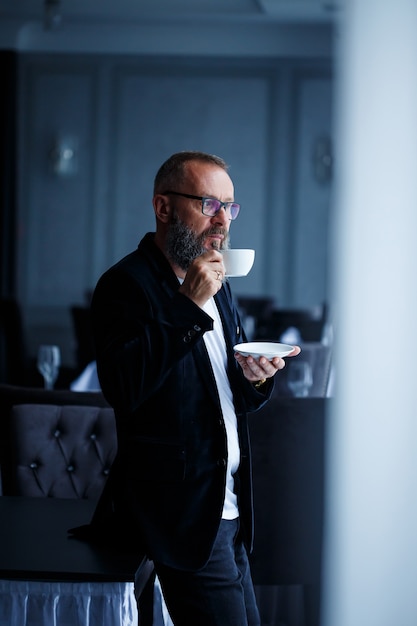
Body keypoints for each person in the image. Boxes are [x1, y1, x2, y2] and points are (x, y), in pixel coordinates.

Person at [84, 151, 300, 625]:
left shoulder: (218, 282)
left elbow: (220, 388)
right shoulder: (126, 285)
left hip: (231, 506)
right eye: (208, 204)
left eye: (230, 206)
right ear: (163, 207)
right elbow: (124, 388)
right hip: (183, 514)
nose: (223, 220)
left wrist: (254, 379)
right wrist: (187, 304)